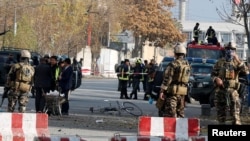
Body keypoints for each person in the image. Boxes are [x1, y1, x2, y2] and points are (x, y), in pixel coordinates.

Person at [211, 42, 249, 125]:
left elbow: (246, 71)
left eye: (232, 49)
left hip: (233, 92)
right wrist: (216, 79)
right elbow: (213, 74)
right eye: (228, 49)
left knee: (235, 115)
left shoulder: (237, 62)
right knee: (221, 116)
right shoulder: (219, 62)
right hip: (221, 91)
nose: (229, 51)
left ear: (235, 51)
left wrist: (238, 60)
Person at [158, 44, 191, 117]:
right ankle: (181, 128)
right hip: (182, 93)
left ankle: (171, 128)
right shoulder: (187, 65)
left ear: (175, 53)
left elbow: (167, 79)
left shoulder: (173, 64)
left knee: (170, 114)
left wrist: (162, 91)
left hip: (172, 93)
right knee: (180, 114)